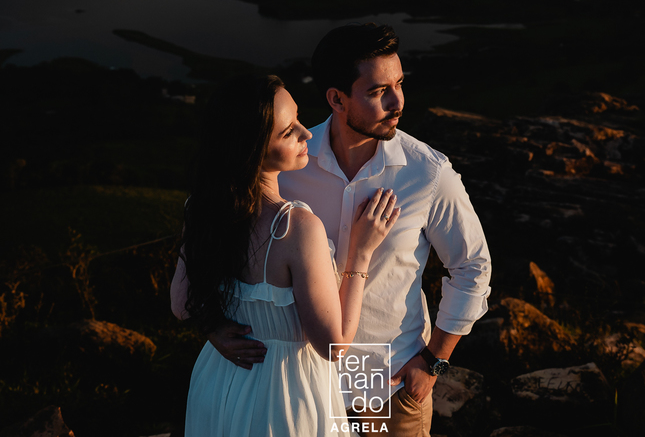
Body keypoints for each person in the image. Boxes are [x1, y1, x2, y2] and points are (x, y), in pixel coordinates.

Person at [209, 24, 492, 437]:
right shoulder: (287, 163)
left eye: (399, 84)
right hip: (297, 385)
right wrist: (214, 325)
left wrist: (433, 362)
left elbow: (472, 268)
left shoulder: (427, 174)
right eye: (378, 92)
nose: (398, 102)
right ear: (337, 99)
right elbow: (223, 245)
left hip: (388, 385)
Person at [171, 73, 402, 436]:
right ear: (251, 149)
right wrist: (361, 252)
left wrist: (215, 328)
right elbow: (334, 345)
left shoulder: (201, 209)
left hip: (219, 379)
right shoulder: (296, 227)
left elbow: (181, 305)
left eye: (298, 119)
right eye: (288, 131)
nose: (306, 133)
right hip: (285, 395)